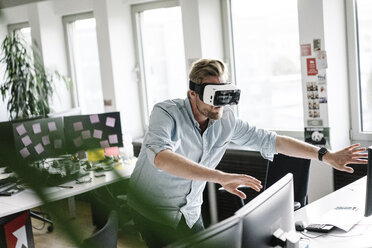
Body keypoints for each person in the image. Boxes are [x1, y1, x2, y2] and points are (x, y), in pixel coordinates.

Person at [127, 59, 367, 248]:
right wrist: (221, 176)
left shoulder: (224, 119)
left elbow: (272, 141)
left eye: (225, 93)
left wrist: (325, 155)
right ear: (193, 93)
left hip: (189, 210)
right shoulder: (166, 113)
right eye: (214, 96)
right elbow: (162, 158)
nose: (220, 104)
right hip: (152, 209)